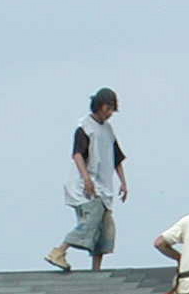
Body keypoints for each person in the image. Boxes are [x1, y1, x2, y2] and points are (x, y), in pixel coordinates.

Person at [45, 89, 128, 272]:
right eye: (109, 109)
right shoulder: (85, 127)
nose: (110, 113)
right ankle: (59, 251)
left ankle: (96, 269)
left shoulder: (108, 130)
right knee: (91, 221)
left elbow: (116, 158)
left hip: (104, 187)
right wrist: (86, 179)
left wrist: (123, 182)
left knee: (106, 229)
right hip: (86, 185)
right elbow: (77, 155)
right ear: (101, 106)